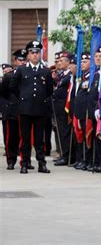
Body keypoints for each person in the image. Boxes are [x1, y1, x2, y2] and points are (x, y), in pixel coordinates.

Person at [10, 40, 54, 174]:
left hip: (40, 109)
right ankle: (25, 163)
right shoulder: (21, 69)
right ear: (28, 55)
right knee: (26, 139)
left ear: (40, 54)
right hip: (25, 108)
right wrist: (22, 99)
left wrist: (41, 99)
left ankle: (42, 163)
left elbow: (49, 90)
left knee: (40, 139)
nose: (35, 55)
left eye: (37, 52)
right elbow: (13, 87)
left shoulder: (45, 71)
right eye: (32, 52)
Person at [53, 52, 74, 166]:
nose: (59, 63)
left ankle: (67, 156)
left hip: (65, 109)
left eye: (61, 61)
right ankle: (62, 154)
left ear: (68, 62)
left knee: (65, 133)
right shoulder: (61, 75)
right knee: (60, 133)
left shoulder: (70, 75)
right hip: (58, 108)